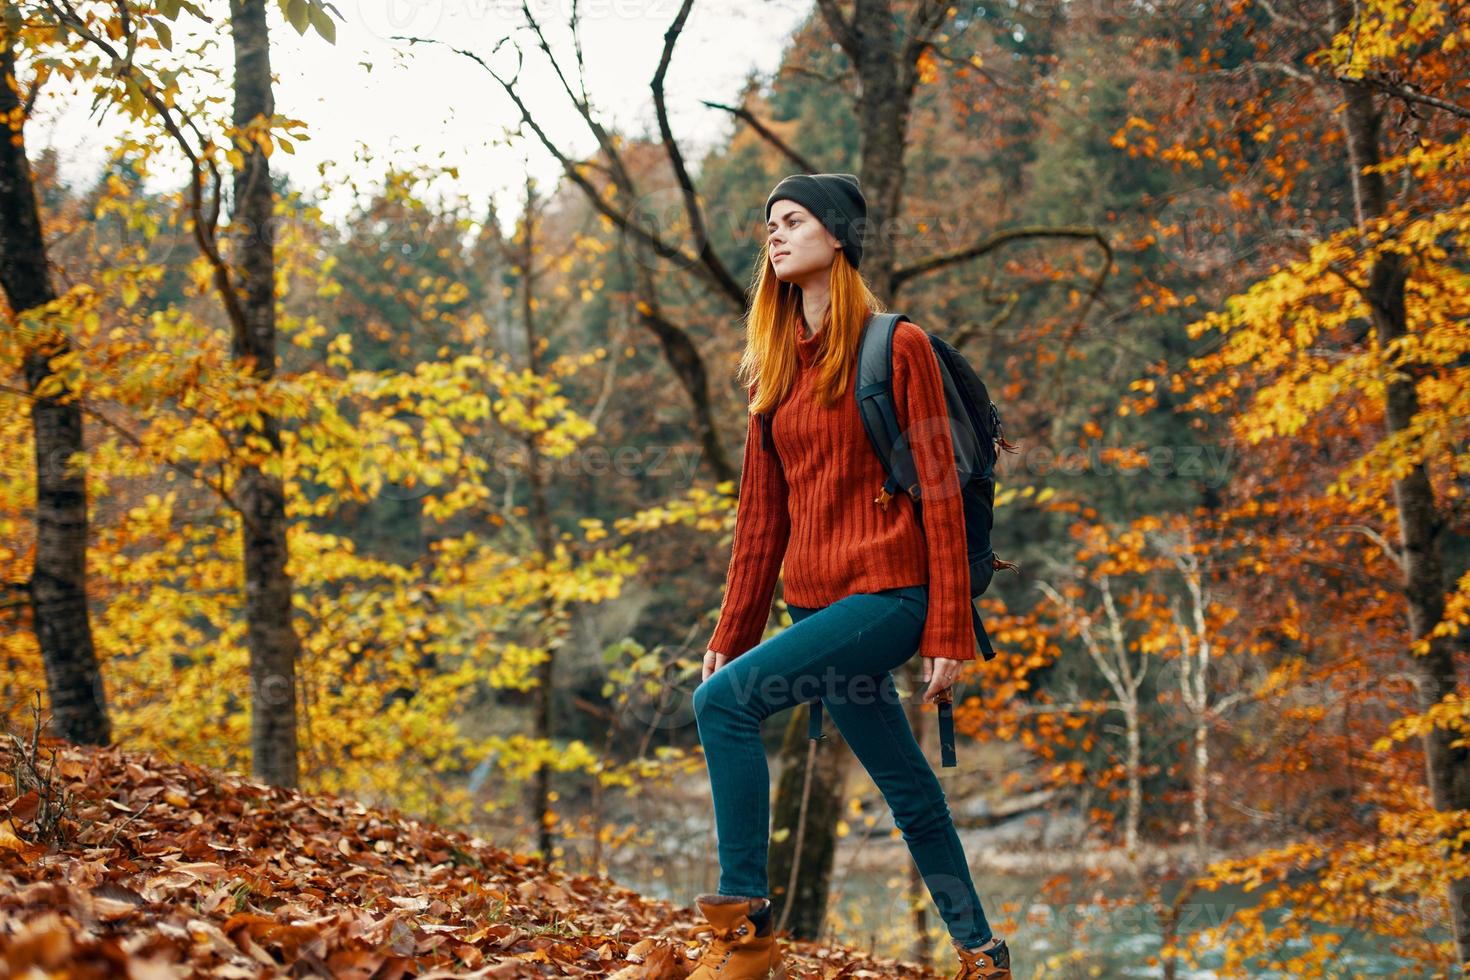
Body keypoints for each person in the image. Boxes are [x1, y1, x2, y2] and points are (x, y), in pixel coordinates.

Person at [684, 173, 1012, 980]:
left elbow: (938, 488)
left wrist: (948, 630)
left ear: (836, 236)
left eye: (792, 220)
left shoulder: (894, 346)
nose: (775, 234)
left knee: (721, 708)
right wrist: (734, 632)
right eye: (769, 224)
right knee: (908, 786)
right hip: (818, 610)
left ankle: (744, 935)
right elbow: (762, 519)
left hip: (893, 599)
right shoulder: (767, 365)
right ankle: (983, 954)